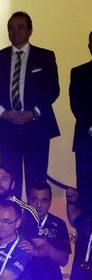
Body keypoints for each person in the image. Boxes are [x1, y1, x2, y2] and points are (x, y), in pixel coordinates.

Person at [0, 11, 59, 198]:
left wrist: (34, 112)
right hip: (6, 127)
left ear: (30, 30)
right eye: (11, 28)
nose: (15, 31)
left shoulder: (45, 56)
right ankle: (10, 214)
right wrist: (4, 113)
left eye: (20, 27)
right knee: (8, 180)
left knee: (37, 179)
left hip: (37, 126)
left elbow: (52, 89)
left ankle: (34, 216)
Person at [69, 31, 92, 212]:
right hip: (87, 140)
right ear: (89, 46)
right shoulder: (78, 73)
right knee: (86, 192)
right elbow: (77, 105)